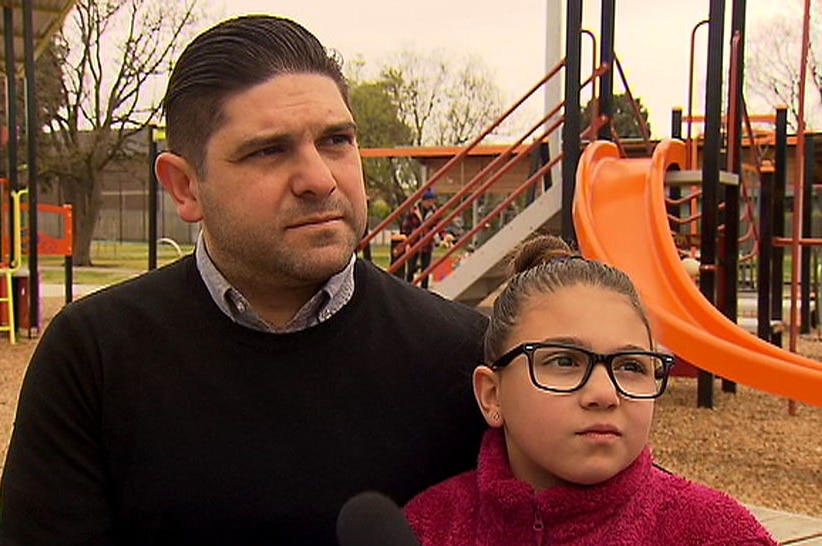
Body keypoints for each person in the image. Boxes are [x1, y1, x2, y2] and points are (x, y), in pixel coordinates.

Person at [0, 15, 488, 546]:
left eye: (336, 140)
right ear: (185, 186)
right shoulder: (93, 357)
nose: (319, 179)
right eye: (268, 151)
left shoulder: (463, 358)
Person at [404, 234, 778, 546]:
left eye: (630, 366)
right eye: (565, 361)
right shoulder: (428, 529)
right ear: (492, 395)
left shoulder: (718, 536)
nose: (604, 393)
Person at [400, 188, 438, 288]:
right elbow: (406, 227)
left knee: (425, 270)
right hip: (414, 243)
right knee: (411, 268)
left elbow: (438, 226)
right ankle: (408, 288)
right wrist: (406, 242)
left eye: (432, 201)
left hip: (427, 244)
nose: (431, 203)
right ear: (423, 201)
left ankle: (424, 290)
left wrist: (443, 236)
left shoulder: (434, 212)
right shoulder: (413, 211)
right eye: (429, 201)